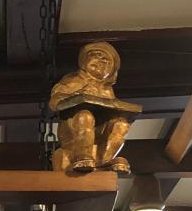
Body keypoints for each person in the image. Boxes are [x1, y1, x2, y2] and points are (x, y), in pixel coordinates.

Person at [49, 41, 140, 173]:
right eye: (97, 55)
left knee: (121, 124)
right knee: (85, 116)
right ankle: (82, 155)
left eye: (107, 61)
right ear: (84, 60)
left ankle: (105, 159)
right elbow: (55, 102)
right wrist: (77, 95)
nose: (102, 61)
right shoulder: (74, 80)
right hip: (73, 129)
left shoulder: (107, 90)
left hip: (99, 130)